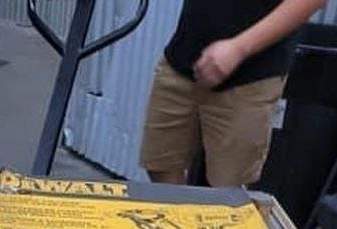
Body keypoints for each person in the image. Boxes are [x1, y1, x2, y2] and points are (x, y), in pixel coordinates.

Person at [140, 0, 327, 188]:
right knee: (160, 163)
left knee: (228, 186)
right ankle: (179, 206)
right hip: (183, 56)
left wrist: (239, 48)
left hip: (251, 75)